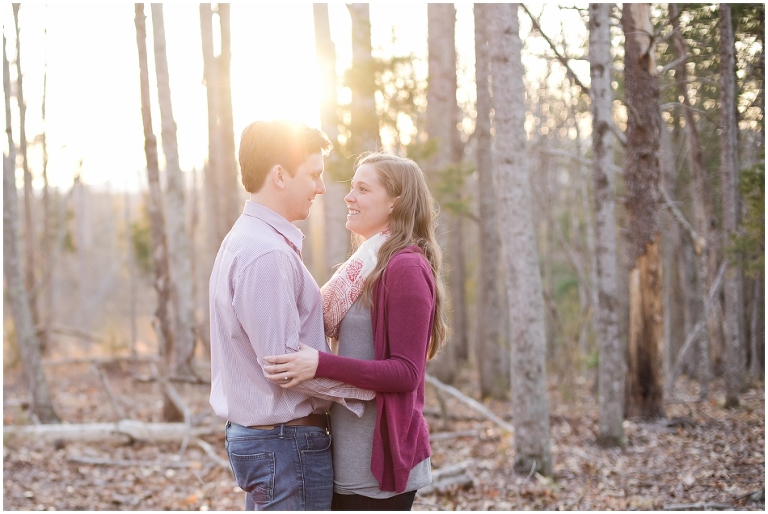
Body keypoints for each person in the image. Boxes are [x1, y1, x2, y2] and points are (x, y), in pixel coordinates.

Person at [264, 152, 449, 511]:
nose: (349, 197)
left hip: (379, 464)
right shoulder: (365, 265)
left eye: (363, 189)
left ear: (396, 203)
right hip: (350, 453)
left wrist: (320, 364)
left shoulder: (405, 267)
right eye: (352, 187)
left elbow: (407, 373)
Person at [208, 119, 375, 511]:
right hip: (285, 445)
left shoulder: (248, 240)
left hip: (272, 443)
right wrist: (365, 389)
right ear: (280, 175)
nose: (321, 187)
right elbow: (285, 367)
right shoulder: (267, 255)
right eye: (314, 175)